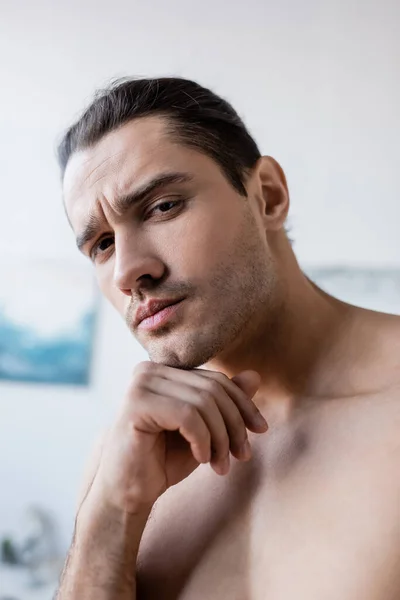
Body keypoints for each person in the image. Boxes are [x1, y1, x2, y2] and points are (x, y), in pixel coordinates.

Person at [55, 77, 400, 600]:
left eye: (162, 206)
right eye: (102, 245)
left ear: (268, 196)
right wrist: (111, 514)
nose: (128, 271)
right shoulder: (119, 460)